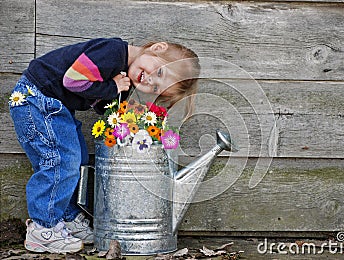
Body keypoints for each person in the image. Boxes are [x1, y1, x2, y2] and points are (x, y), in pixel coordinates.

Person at [8, 37, 200, 254]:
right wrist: (112, 87)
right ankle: (43, 227)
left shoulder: (126, 75)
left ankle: (67, 217)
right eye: (160, 72)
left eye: (156, 87)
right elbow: (73, 81)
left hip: (56, 106)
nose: (149, 81)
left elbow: (100, 103)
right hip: (36, 98)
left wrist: (128, 113)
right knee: (59, 162)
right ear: (157, 48)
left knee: (77, 158)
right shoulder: (113, 52)